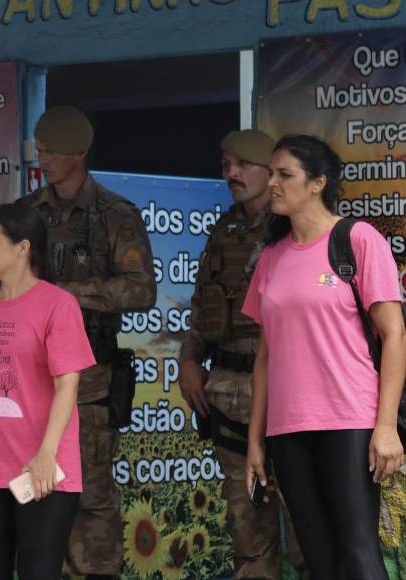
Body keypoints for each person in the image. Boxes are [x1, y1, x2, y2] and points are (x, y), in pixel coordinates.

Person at [243, 134, 406, 580]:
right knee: (317, 558)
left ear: (318, 183)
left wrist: (386, 426)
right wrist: (256, 440)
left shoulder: (357, 239)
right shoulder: (271, 258)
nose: (271, 183)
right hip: (287, 429)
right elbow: (265, 357)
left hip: (348, 420)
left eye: (284, 174)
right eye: (271, 173)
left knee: (357, 551)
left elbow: (394, 335)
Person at [17, 106, 156, 579]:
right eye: (40, 151)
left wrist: (67, 296)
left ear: (79, 154)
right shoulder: (26, 214)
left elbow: (141, 289)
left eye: (53, 151)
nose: (44, 159)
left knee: (92, 497)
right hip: (29, 378)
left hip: (91, 381)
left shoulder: (114, 215)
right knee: (27, 490)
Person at [179, 129, 305, 579]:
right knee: (248, 533)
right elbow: (202, 302)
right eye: (225, 164)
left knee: (308, 529)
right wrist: (189, 359)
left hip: (290, 397)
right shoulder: (223, 229)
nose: (231, 173)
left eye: (242, 165)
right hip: (230, 396)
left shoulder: (292, 229)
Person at [0, 203, 96, 579]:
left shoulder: (57, 304)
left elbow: (68, 384)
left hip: (39, 468)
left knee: (38, 572)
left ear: (23, 247)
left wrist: (45, 455)